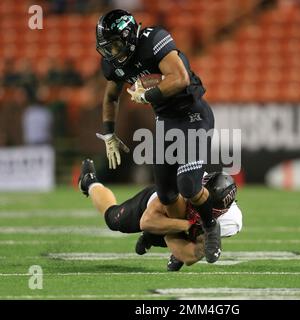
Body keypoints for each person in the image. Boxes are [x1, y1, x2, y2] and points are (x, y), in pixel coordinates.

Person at [95, 10, 221, 263]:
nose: (112, 53)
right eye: (107, 48)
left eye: (116, 45)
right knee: (166, 194)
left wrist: (148, 95)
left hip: (192, 114)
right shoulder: (114, 64)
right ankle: (180, 238)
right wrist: (109, 134)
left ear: (129, 36)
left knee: (189, 184)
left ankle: (210, 228)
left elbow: (180, 78)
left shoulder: (153, 40)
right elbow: (111, 96)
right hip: (166, 122)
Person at [78, 159, 242, 271]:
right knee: (113, 219)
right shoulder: (186, 184)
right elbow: (147, 221)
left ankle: (154, 237)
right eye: (200, 199)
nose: (198, 205)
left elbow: (191, 255)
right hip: (155, 206)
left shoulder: (230, 221)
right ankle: (90, 181)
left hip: (183, 226)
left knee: (193, 242)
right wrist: (185, 224)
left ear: (222, 212)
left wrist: (178, 236)